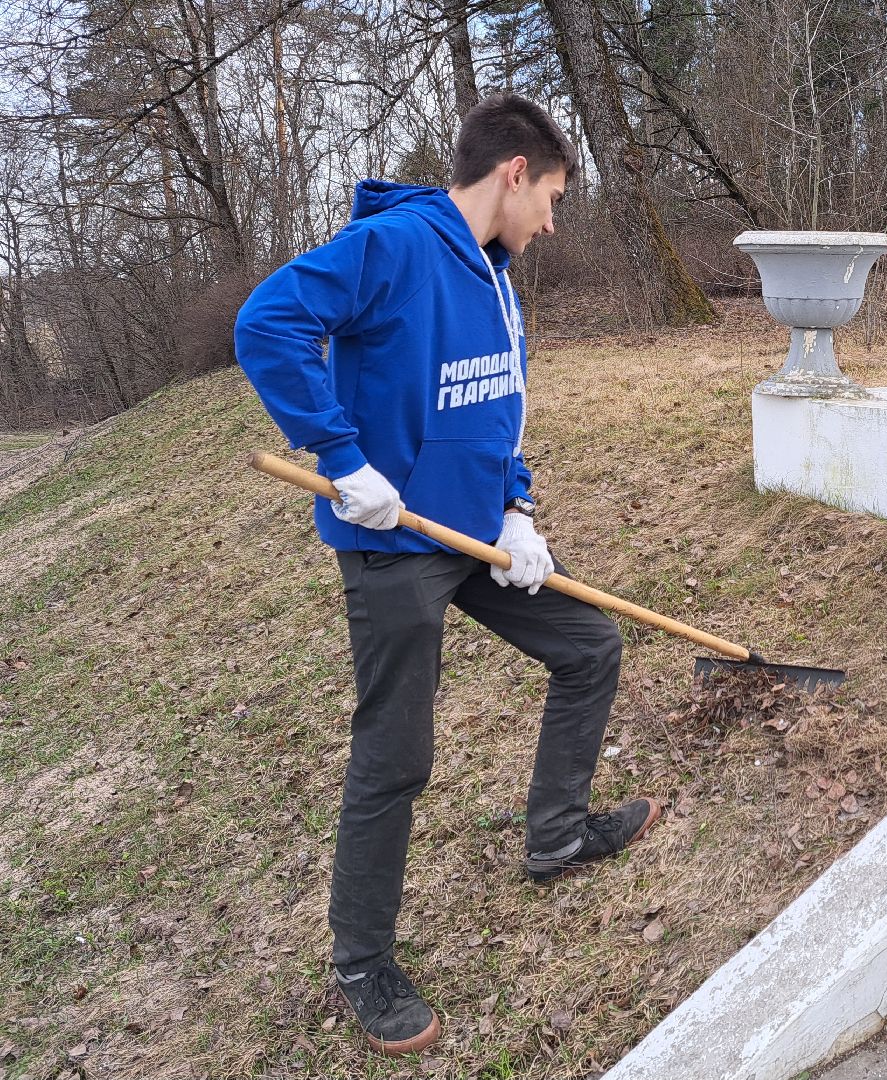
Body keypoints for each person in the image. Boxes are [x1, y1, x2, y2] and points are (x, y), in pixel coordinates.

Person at [233, 93, 662, 1057]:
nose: (551, 222)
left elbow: (498, 409)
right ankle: (362, 961)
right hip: (393, 545)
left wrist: (516, 505)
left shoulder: (497, 278)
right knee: (396, 754)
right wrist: (341, 457)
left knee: (589, 646)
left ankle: (556, 834)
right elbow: (267, 324)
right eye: (551, 197)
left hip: (475, 538)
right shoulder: (394, 245)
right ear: (514, 173)